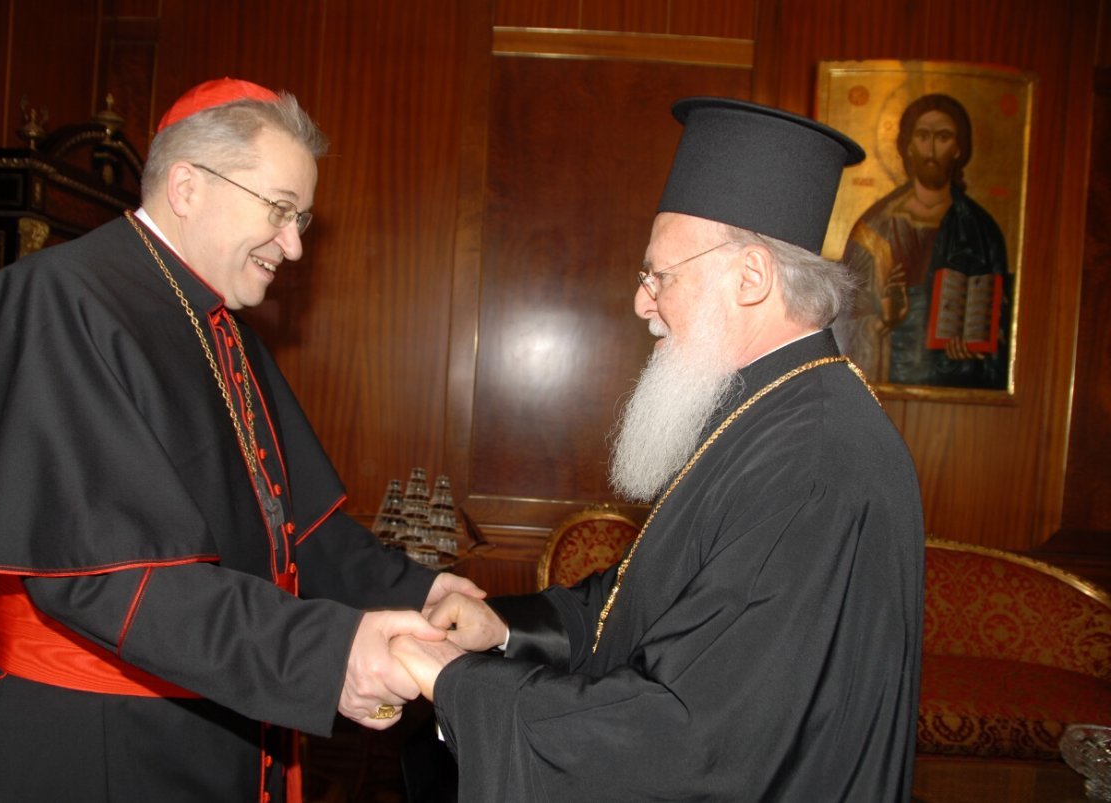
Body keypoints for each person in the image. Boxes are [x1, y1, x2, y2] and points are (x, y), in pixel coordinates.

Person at [0, 77, 483, 802]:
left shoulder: (220, 328)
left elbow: (297, 532)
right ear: (187, 186)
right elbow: (103, 579)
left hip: (209, 712)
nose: (296, 245)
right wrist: (329, 651)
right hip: (91, 747)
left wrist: (430, 590)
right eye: (280, 211)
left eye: (301, 218)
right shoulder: (56, 300)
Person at [390, 98, 925, 801]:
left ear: (751, 277)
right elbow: (643, 601)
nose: (642, 302)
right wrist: (506, 631)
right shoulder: (770, 410)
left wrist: (458, 685)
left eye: (659, 275)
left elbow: (691, 737)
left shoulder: (811, 461)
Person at [836, 93, 1010, 388]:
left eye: (943, 137)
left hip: (960, 392)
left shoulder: (981, 229)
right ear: (908, 146)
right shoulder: (874, 229)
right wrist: (884, 320)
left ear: (958, 149)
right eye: (922, 136)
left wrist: (976, 349)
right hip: (885, 380)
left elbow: (1001, 323)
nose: (931, 149)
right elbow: (844, 321)